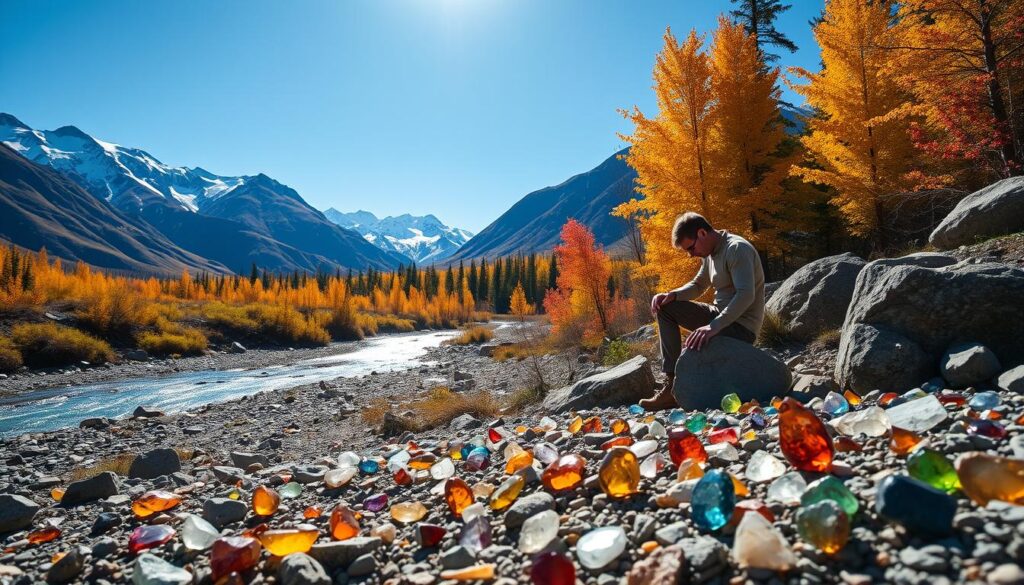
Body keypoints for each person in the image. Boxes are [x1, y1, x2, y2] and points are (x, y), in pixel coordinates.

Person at [639, 212, 766, 410]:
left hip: (741, 327)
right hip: (720, 315)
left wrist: (713, 327)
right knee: (665, 308)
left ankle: (674, 389)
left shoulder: (736, 249)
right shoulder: (710, 253)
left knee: (695, 318)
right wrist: (672, 294)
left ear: (702, 233)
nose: (690, 254)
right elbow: (699, 285)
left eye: (691, 247)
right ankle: (671, 385)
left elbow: (745, 295)